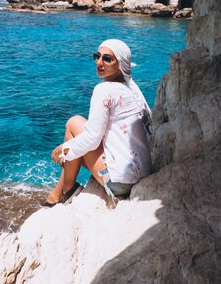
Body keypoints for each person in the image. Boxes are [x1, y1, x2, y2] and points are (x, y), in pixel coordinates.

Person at [42, 39, 153, 207]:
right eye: (97, 56)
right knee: (78, 132)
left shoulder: (103, 90)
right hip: (143, 172)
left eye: (107, 59)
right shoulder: (132, 87)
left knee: (73, 124)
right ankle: (57, 195)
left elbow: (92, 139)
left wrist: (63, 151)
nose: (99, 62)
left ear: (120, 63)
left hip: (121, 183)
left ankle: (67, 190)